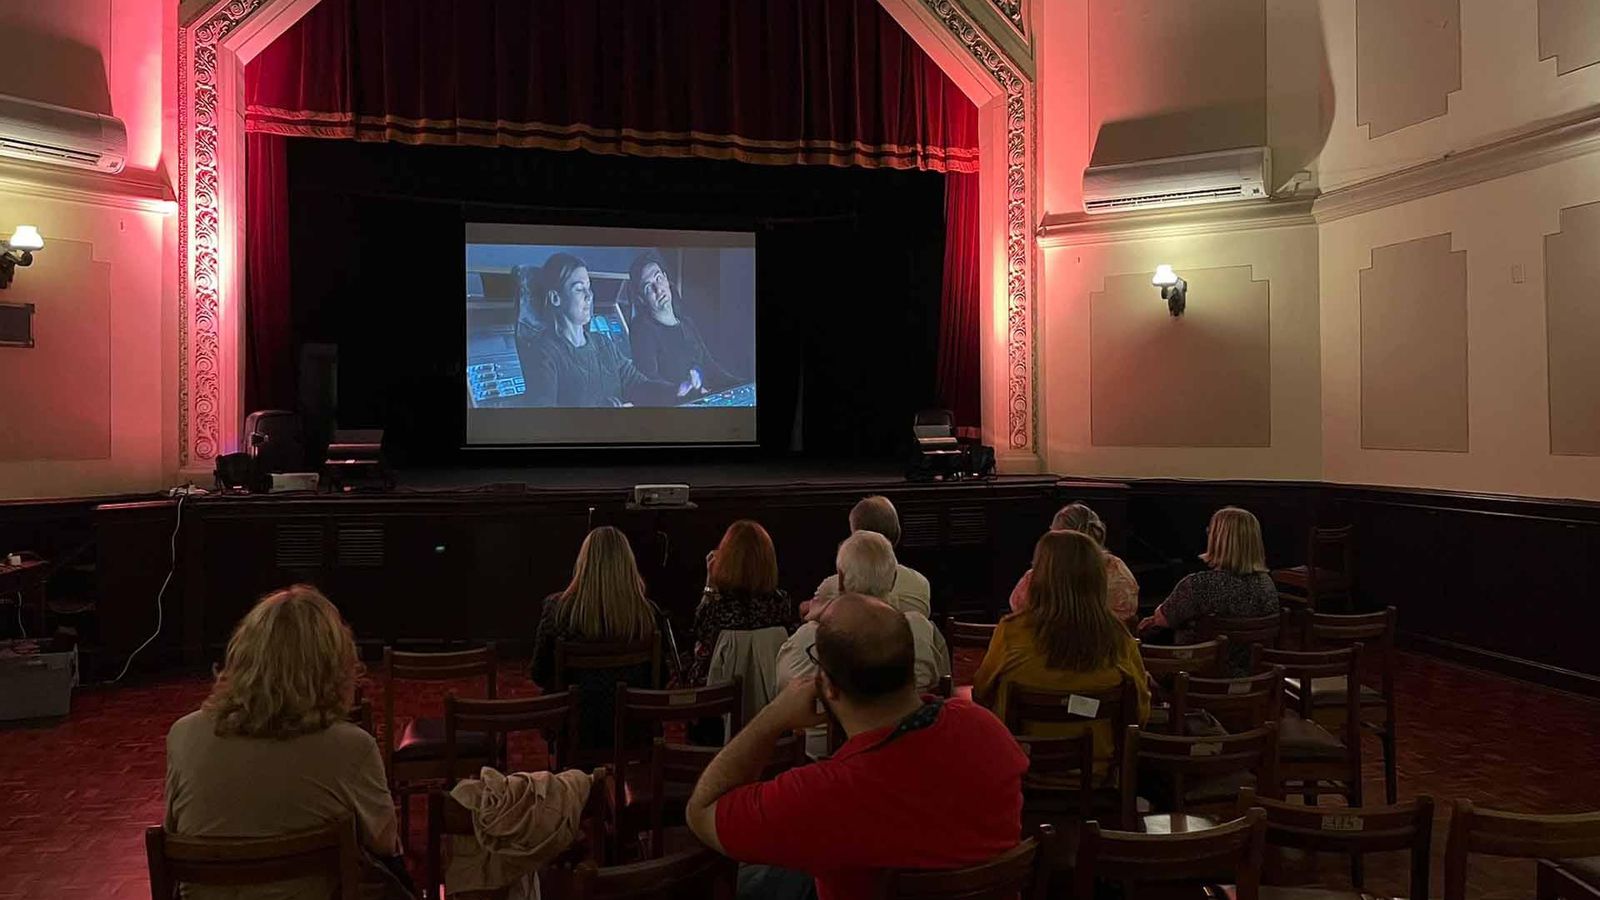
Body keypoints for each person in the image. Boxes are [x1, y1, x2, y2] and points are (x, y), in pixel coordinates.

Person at [686, 594, 1027, 900]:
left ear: (828, 686)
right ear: (910, 668)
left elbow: (701, 812)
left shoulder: (822, 795)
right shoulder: (988, 730)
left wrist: (772, 717)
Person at [164, 585, 411, 900]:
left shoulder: (183, 735)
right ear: (334, 666)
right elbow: (385, 843)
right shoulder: (352, 748)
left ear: (242, 655)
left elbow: (174, 832)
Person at [974, 530, 1151, 773]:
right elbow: (1139, 714)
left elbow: (981, 695)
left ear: (1038, 576)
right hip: (1099, 773)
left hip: (1024, 770)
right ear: (1098, 578)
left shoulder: (1011, 633)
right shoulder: (1120, 639)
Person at [775, 532, 950, 757]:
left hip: (821, 759)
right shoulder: (922, 629)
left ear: (840, 579)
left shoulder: (804, 640)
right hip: (915, 752)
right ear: (894, 579)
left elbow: (781, 695)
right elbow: (944, 688)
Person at [530, 526, 662, 753]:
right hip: (633, 730)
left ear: (583, 563)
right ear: (628, 564)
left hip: (575, 731)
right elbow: (659, 680)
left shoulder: (558, 611)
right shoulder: (648, 613)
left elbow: (539, 674)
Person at [516, 252, 695, 408]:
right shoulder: (543, 353)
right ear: (556, 298)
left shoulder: (603, 343)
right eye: (579, 289)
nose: (589, 296)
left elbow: (639, 385)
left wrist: (677, 390)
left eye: (589, 287)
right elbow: (543, 417)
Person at [1138, 506, 1279, 675]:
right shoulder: (1267, 584)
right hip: (1254, 678)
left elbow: (1162, 619)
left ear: (1218, 540)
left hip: (1196, 678)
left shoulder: (1199, 584)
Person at [689, 519, 796, 687]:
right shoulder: (780, 602)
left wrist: (710, 585)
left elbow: (700, 637)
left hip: (720, 697)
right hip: (774, 694)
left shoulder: (718, 608)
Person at [624, 250, 739, 394]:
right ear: (641, 298)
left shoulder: (686, 323)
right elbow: (649, 383)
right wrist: (688, 392)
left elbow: (711, 368)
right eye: (648, 287)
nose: (658, 289)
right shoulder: (642, 330)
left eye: (658, 278)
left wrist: (744, 386)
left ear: (666, 278)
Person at [1009, 502, 1139, 624]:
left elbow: (1020, 613)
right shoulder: (1117, 572)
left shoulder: (1037, 577)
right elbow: (1126, 615)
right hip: (1107, 640)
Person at [806, 496, 931, 618]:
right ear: (897, 533)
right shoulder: (920, 583)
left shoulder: (831, 587)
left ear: (855, 538)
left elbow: (811, 616)